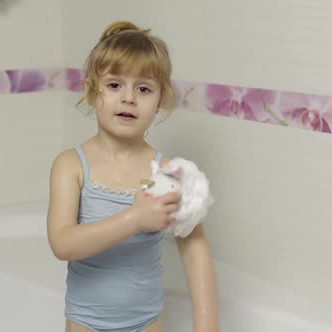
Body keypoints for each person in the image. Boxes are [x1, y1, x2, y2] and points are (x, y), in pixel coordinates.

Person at [46, 21, 219, 332]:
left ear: (159, 102)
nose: (128, 98)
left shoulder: (168, 172)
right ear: (91, 90)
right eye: (114, 85)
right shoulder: (70, 165)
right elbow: (63, 243)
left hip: (146, 323)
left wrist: (207, 326)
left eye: (143, 89)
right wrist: (134, 219)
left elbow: (195, 249)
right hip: (86, 323)